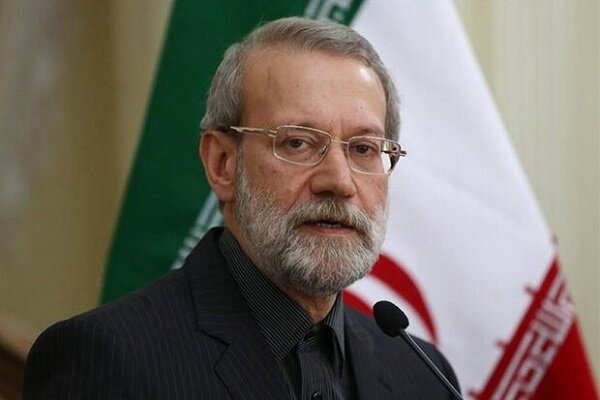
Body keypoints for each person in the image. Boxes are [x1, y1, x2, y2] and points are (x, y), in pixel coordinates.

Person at [24, 17, 459, 399]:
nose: (339, 181)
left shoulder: (422, 374)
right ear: (222, 164)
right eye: (297, 142)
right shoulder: (109, 358)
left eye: (363, 148)